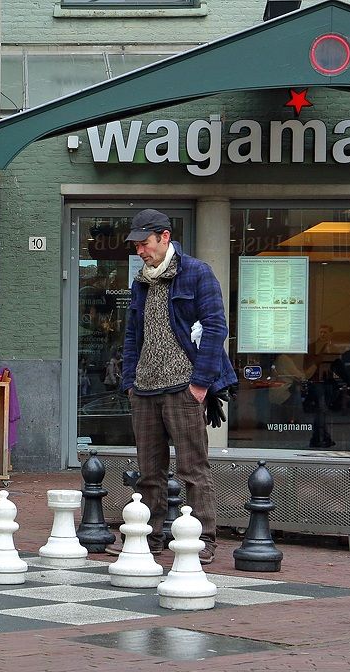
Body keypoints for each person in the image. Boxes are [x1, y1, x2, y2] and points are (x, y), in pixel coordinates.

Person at [110, 209, 237, 565]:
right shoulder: (141, 281)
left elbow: (215, 328)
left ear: (164, 237)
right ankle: (147, 538)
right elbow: (133, 334)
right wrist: (130, 382)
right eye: (136, 245)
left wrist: (200, 384)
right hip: (145, 389)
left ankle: (203, 538)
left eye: (144, 243)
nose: (140, 251)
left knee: (193, 470)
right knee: (149, 472)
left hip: (184, 387)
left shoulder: (196, 272)